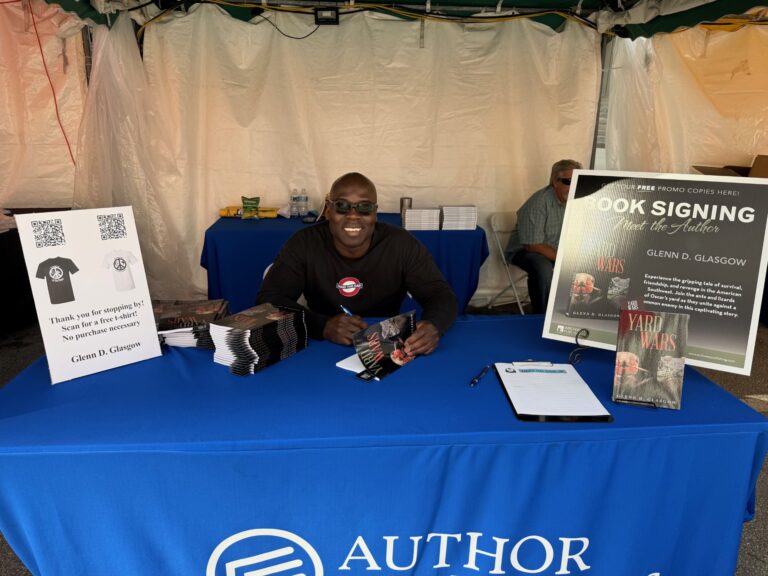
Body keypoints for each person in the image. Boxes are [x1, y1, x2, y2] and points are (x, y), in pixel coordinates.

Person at [256, 172, 457, 356]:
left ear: (375, 212)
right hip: (321, 344)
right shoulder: (304, 243)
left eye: (364, 207)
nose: (353, 215)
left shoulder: (401, 244)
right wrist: (322, 325)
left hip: (386, 346)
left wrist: (434, 326)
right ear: (328, 209)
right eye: (342, 206)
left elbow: (440, 294)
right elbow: (269, 300)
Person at [505, 159, 582, 314]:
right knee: (542, 268)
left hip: (555, 249)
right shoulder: (539, 203)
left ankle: (577, 313)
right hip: (526, 251)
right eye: (568, 181)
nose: (573, 186)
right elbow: (532, 245)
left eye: (578, 181)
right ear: (555, 181)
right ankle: (542, 316)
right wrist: (564, 259)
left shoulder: (577, 201)